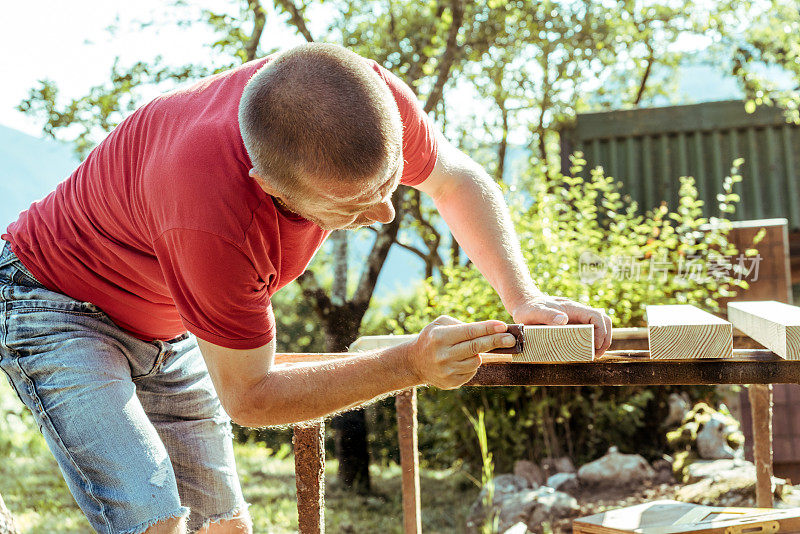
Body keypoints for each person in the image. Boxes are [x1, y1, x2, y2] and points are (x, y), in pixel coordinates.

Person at [0, 43, 612, 534]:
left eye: (389, 184)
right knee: (154, 516)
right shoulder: (210, 209)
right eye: (350, 205)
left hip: (168, 315)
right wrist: (411, 364)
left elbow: (454, 181)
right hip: (55, 306)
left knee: (224, 526)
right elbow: (251, 397)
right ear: (268, 183)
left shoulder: (358, 101)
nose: (383, 215)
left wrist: (524, 297)